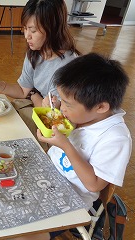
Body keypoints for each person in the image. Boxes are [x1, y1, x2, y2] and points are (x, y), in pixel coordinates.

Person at [16, 53, 132, 240]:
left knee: (19, 235)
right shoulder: (85, 115)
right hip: (46, 175)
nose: (62, 109)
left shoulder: (115, 139)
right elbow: (66, 115)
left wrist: (66, 146)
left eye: (67, 104)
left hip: (70, 201)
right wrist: (53, 107)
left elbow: (93, 185)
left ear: (101, 107)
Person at [0, 0, 80, 145]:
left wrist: (33, 95)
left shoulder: (67, 66)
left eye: (33, 31)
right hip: (40, 113)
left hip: (55, 130)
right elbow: (22, 91)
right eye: (25, 28)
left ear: (52, 28)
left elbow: (53, 115)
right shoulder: (35, 54)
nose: (27, 36)